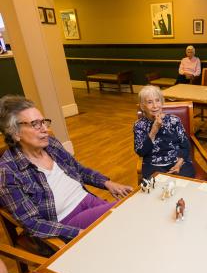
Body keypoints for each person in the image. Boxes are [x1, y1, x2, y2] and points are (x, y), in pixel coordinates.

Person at [0, 95, 132, 244]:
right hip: (64, 224)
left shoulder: (51, 145)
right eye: (35, 124)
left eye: (44, 122)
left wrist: (108, 183)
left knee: (129, 222)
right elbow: (33, 223)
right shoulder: (8, 172)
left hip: (88, 201)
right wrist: (78, 233)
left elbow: (79, 170)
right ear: (15, 132)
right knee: (128, 213)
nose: (45, 129)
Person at [134, 85, 195, 179]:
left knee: (183, 185)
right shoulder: (139, 125)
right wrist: (154, 131)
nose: (155, 106)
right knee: (157, 187)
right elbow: (141, 152)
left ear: (162, 102)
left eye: (157, 100)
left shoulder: (174, 120)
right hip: (153, 165)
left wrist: (179, 164)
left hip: (178, 162)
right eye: (150, 102)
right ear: (143, 106)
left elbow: (185, 146)